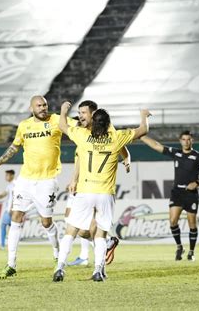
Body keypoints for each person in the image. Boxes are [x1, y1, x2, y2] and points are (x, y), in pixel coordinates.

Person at [54, 102, 150, 282]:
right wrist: (144, 115)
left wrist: (63, 110)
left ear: (93, 120)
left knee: (71, 230)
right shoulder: (116, 138)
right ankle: (98, 270)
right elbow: (143, 130)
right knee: (100, 234)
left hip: (85, 190)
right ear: (108, 124)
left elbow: (62, 126)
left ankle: (59, 268)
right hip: (105, 193)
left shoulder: (82, 135)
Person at [0, 95, 76, 279]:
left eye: (45, 105)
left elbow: (80, 127)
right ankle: (11, 264)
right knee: (16, 217)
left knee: (46, 222)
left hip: (47, 180)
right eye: (39, 105)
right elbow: (13, 148)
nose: (43, 108)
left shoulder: (57, 120)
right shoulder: (24, 126)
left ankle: (57, 256)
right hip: (25, 180)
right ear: (31, 108)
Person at [66, 100, 129, 267]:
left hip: (95, 186)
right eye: (79, 113)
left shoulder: (107, 130)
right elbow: (79, 157)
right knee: (81, 230)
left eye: (84, 113)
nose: (80, 116)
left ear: (93, 115)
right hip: (82, 183)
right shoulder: (80, 127)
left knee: (83, 226)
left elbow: (120, 145)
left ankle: (89, 257)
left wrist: (127, 159)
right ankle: (105, 244)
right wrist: (74, 179)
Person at [140, 131, 199, 261]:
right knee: (173, 221)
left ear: (192, 141)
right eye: (184, 139)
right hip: (177, 193)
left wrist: (197, 182)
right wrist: (141, 136)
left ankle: (191, 251)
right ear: (180, 141)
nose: (186, 142)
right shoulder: (176, 153)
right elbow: (156, 145)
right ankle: (179, 247)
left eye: (188, 139)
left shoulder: (198, 156)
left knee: (192, 224)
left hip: (191, 195)